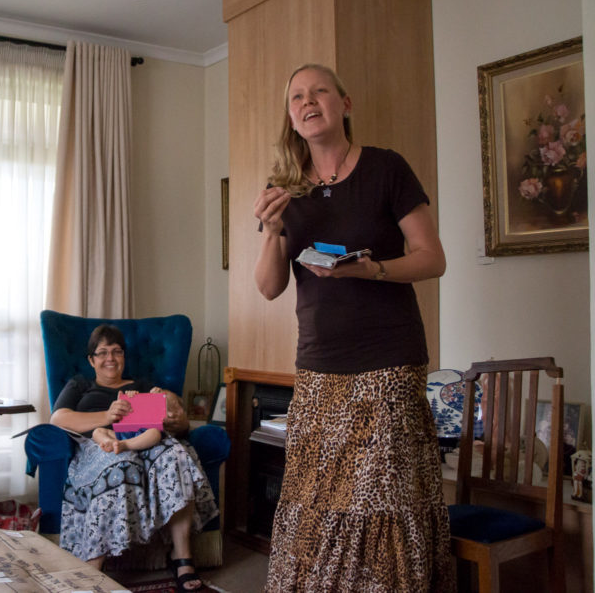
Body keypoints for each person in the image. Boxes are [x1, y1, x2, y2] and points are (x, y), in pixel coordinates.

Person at [252, 63, 453, 591]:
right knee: (317, 499)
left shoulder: (387, 169)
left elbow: (432, 259)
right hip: (319, 364)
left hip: (389, 359)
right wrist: (272, 232)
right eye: (296, 96)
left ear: (346, 103)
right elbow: (269, 286)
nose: (307, 101)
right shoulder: (284, 189)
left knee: (382, 497)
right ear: (291, 117)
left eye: (320, 90)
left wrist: (372, 269)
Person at [50, 324, 217, 593]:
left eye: (116, 351)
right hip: (100, 445)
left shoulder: (141, 386)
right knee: (120, 464)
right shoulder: (80, 384)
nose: (110, 358)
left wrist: (177, 420)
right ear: (91, 359)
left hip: (147, 442)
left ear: (124, 356)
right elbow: (58, 419)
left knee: (176, 455)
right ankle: (94, 564)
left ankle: (182, 557)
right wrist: (108, 416)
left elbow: (177, 425)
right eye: (102, 352)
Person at [91, 388, 174, 454]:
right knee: (97, 431)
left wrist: (157, 398)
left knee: (155, 433)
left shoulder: (160, 405)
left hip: (143, 433)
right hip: (124, 432)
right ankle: (111, 443)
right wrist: (130, 398)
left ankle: (125, 445)